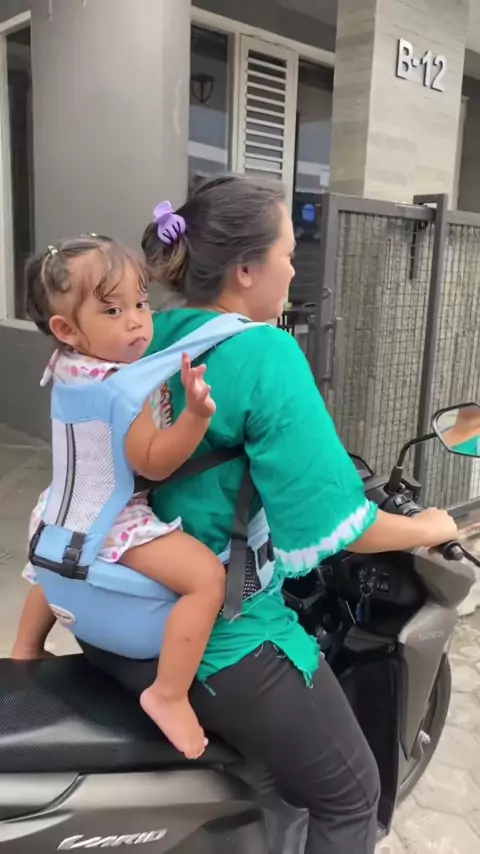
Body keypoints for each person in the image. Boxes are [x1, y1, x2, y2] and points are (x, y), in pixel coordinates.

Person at [13, 177, 458, 854]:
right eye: (288, 253)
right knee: (350, 795)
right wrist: (432, 527)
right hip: (212, 643)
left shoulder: (144, 337)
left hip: (108, 623)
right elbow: (337, 524)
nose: (293, 270)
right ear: (246, 270)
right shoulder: (264, 350)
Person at [11, 234, 229, 760]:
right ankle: (169, 693)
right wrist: (196, 418)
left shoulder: (67, 365)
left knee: (50, 564)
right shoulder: (123, 388)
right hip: (113, 520)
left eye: (141, 303)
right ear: (66, 329)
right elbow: (154, 462)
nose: (136, 322)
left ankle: (24, 649)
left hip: (61, 511)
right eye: (113, 310)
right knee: (207, 578)